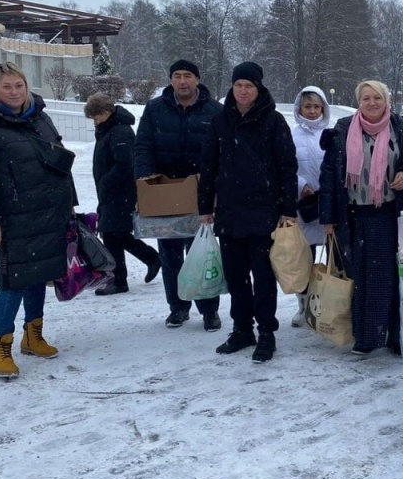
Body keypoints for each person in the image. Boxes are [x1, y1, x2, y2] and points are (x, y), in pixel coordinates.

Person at [0, 62, 75, 379]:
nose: (14, 92)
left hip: (49, 212)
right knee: (14, 279)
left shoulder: (40, 119)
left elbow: (60, 163)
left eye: (19, 86)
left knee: (41, 273)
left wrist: (69, 207)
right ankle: (1, 348)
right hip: (13, 218)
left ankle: (33, 334)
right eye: (6, 87)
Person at [198, 62, 298, 363]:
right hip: (229, 212)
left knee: (264, 277)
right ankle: (242, 329)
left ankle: (266, 332)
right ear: (232, 86)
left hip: (264, 213)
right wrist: (205, 206)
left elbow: (287, 167)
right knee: (236, 276)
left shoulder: (274, 121)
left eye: (249, 86)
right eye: (238, 84)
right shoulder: (220, 121)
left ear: (258, 89)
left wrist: (288, 209)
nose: (243, 90)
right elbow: (208, 166)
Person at [319, 80, 403, 355]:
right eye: (365, 98)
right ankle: (363, 336)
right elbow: (329, 175)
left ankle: (393, 336)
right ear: (358, 101)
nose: (372, 103)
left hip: (388, 215)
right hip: (352, 215)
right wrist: (327, 217)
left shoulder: (401, 127)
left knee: (389, 277)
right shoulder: (342, 130)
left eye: (377, 97)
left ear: (386, 100)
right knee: (357, 276)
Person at [134, 59, 223, 330]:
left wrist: (215, 182)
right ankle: (178, 307)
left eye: (187, 76)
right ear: (171, 80)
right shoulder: (155, 109)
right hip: (165, 190)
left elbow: (222, 151)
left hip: (201, 191)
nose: (182, 81)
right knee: (170, 254)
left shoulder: (214, 111)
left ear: (197, 79)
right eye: (177, 76)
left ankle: (209, 309)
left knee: (202, 252)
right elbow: (143, 147)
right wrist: (146, 178)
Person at [84, 93, 161, 296]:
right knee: (116, 234)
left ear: (106, 112)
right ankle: (149, 260)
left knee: (112, 233)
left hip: (120, 192)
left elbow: (125, 164)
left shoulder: (119, 131)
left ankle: (120, 279)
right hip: (112, 191)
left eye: (96, 116)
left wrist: (106, 182)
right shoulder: (109, 129)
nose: (95, 121)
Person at [289, 86, 333, 328]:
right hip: (305, 206)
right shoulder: (292, 136)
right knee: (304, 259)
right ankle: (303, 306)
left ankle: (331, 302)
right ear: (300, 109)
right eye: (308, 106)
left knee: (334, 256)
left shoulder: (332, 132)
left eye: (317, 106)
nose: (313, 111)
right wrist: (301, 184)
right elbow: (286, 166)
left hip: (328, 205)